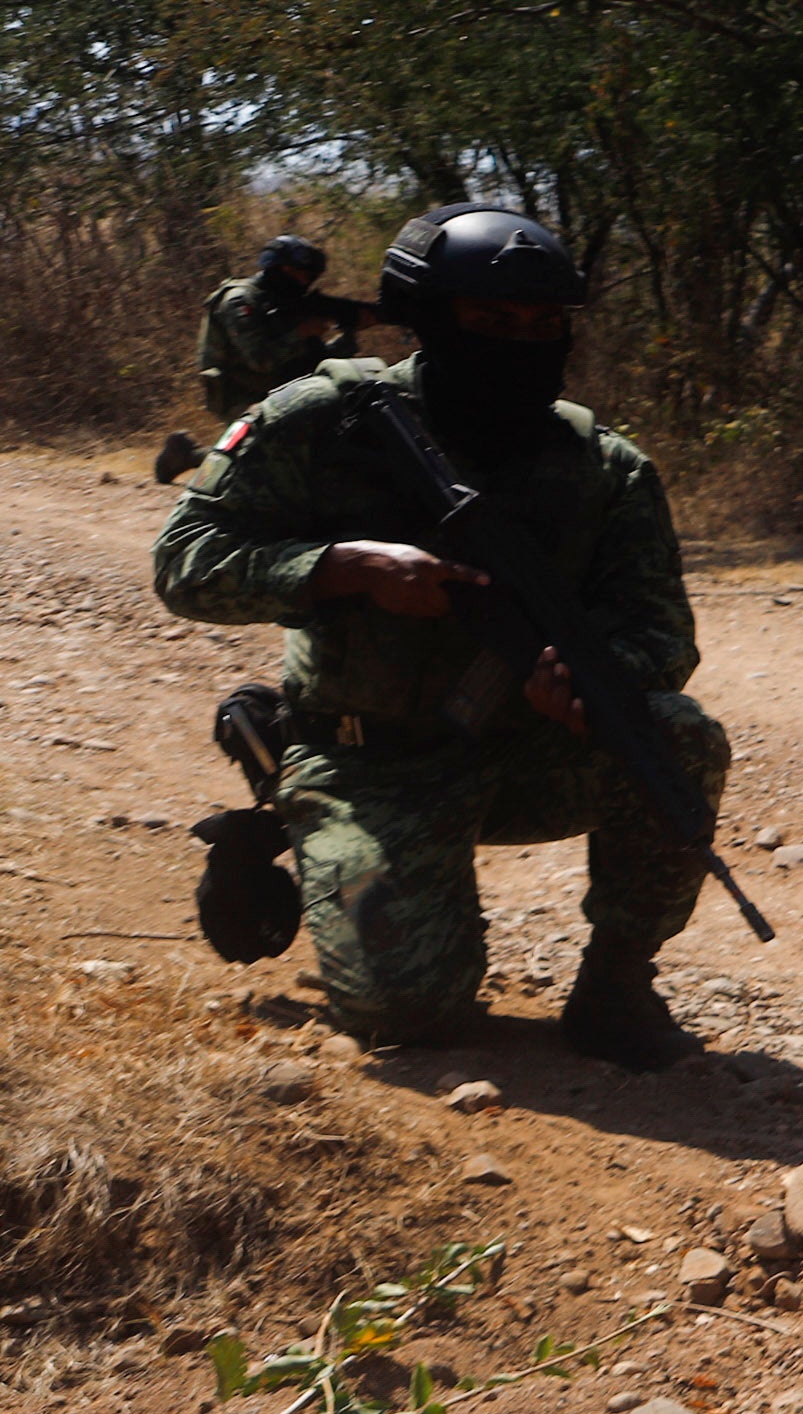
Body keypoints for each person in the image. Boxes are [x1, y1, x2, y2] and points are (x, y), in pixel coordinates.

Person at [152, 203, 732, 1069]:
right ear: (428, 319)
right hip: (365, 763)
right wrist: (341, 567)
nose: (522, 341)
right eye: (493, 321)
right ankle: (279, 783)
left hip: (519, 755)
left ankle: (616, 985)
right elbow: (184, 562)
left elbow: (662, 631)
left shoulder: (604, 466)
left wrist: (585, 679)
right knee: (410, 1016)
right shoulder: (324, 419)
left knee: (676, 736)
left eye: (544, 324)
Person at [159, 236, 373, 482]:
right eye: (301, 275)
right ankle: (189, 456)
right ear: (281, 269)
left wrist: (350, 334)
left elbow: (317, 361)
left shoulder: (286, 304)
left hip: (279, 389)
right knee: (264, 463)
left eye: (309, 277)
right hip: (238, 393)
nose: (305, 283)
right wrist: (300, 333)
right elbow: (260, 359)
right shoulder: (239, 301)